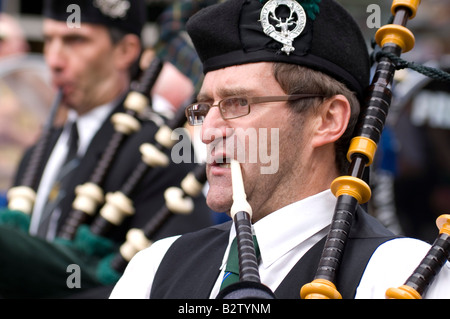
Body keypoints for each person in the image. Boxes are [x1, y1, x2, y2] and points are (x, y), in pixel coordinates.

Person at [110, 0, 450, 299]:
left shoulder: (396, 275)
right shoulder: (156, 268)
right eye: (204, 108)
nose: (209, 130)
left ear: (328, 119)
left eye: (237, 103)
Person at [1, 0, 211, 298]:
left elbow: (175, 280)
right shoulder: (39, 151)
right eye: (49, 40)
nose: (55, 60)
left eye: (75, 40)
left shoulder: (160, 151)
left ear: (125, 50)